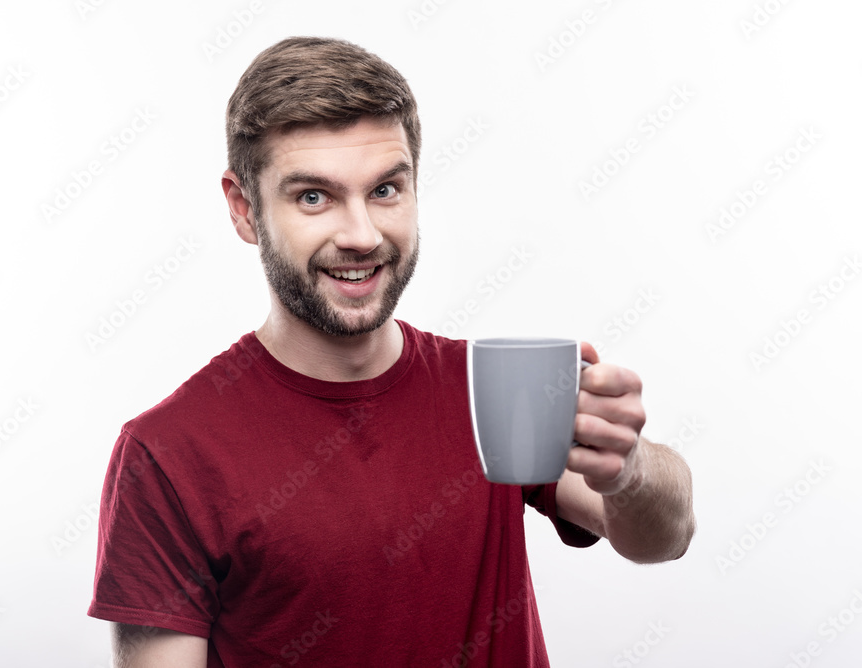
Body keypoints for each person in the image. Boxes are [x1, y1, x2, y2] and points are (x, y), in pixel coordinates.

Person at [87, 36, 696, 667]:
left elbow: (667, 537)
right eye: (313, 197)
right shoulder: (167, 455)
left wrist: (627, 469)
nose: (362, 235)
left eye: (385, 190)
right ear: (244, 209)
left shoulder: (487, 386)